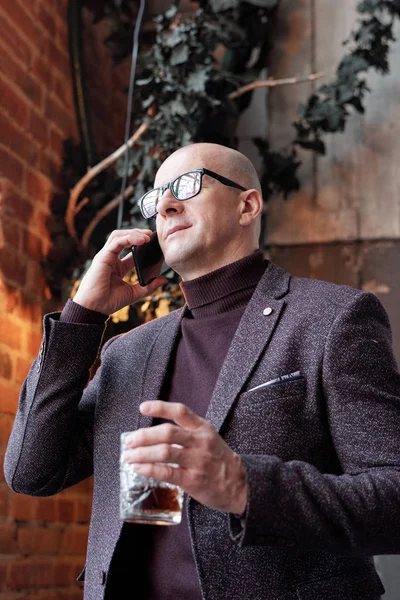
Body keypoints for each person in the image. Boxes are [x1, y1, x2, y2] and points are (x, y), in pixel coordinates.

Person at [5, 143, 400, 600]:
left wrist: (244, 486)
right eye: (156, 198)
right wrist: (82, 316)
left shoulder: (333, 318)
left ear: (247, 205)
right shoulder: (130, 351)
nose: (167, 204)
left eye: (187, 185)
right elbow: (30, 471)